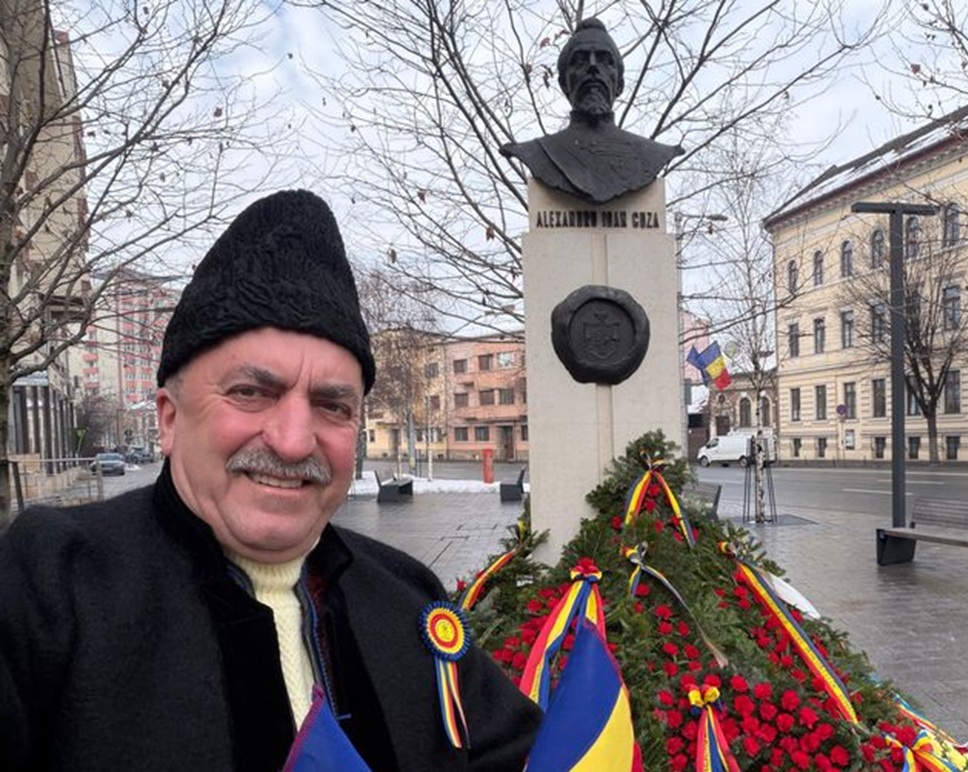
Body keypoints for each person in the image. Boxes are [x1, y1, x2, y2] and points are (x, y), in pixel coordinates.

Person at [0, 190, 541, 771]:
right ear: (169, 419)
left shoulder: (405, 593)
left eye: (332, 405)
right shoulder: (49, 582)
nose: (293, 441)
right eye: (251, 392)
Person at [500, 17, 683, 204]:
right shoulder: (538, 152)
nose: (593, 67)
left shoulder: (651, 154)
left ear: (619, 84)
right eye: (580, 60)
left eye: (604, 60)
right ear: (564, 84)